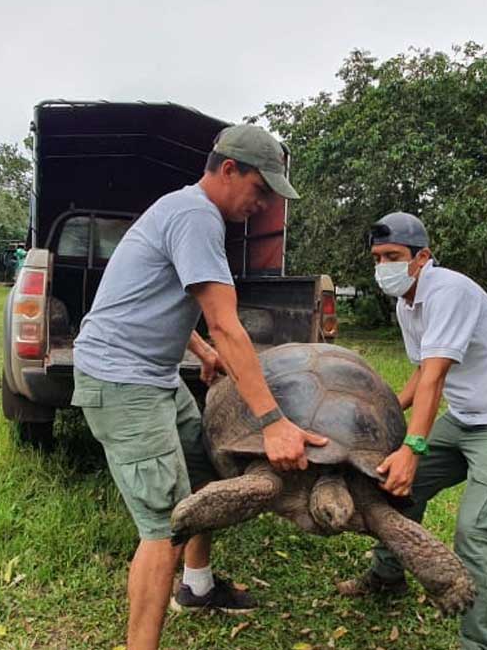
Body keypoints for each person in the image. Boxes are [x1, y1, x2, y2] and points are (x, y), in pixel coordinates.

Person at [71, 124, 329, 650]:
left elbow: (152, 294)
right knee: (165, 526)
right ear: (229, 169)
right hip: (122, 381)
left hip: (154, 375)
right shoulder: (196, 216)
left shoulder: (185, 210)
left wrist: (200, 351)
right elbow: (228, 324)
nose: (263, 205)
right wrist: (274, 422)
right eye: (261, 190)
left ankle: (197, 586)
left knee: (204, 481)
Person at [337, 212, 487, 650]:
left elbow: (436, 377)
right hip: (466, 416)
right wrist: (387, 411)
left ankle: (485, 644)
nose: (383, 267)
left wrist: (412, 447)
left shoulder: (448, 291)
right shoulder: (406, 304)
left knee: (475, 530)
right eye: (378, 258)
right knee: (392, 489)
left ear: (422, 257)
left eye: (393, 256)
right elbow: (420, 372)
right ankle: (387, 576)